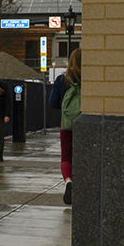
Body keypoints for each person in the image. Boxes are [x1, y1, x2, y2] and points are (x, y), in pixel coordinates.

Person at [48, 47, 82, 205]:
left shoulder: (63, 79)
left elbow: (53, 103)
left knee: (66, 157)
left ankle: (69, 181)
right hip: (86, 123)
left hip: (67, 125)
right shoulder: (93, 79)